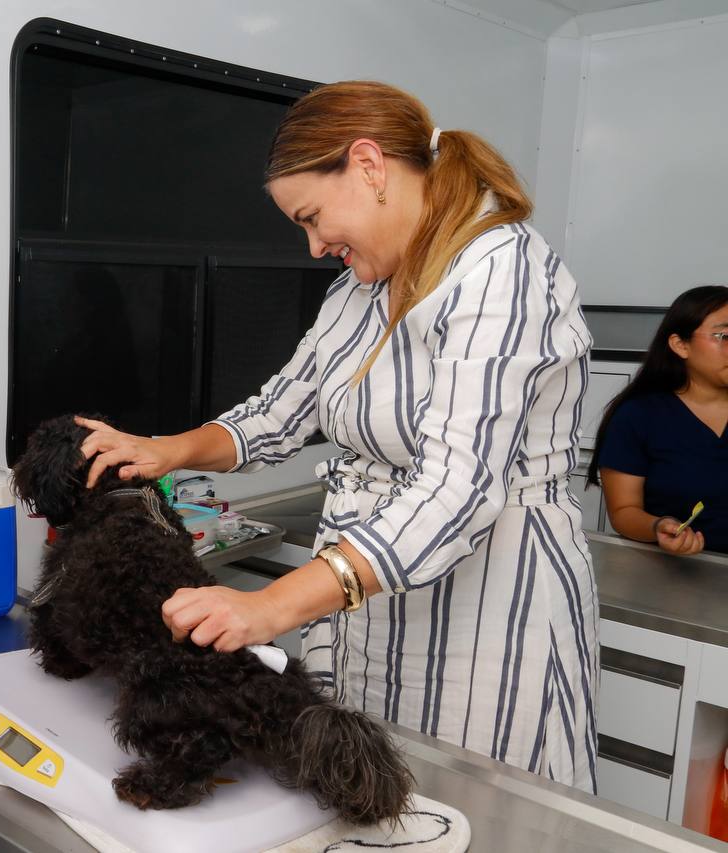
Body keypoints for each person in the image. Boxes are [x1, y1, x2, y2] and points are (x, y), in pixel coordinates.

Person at [79, 81, 599, 791]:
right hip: (371, 593)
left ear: (368, 165)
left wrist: (269, 605)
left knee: (471, 800)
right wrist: (160, 449)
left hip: (490, 595)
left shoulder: (501, 270)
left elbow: (457, 487)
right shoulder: (358, 289)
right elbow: (276, 416)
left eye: (313, 216)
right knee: (365, 790)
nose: (315, 243)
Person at [589, 285, 728, 555]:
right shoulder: (638, 415)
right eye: (724, 336)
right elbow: (624, 511)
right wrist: (658, 526)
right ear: (680, 344)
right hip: (674, 580)